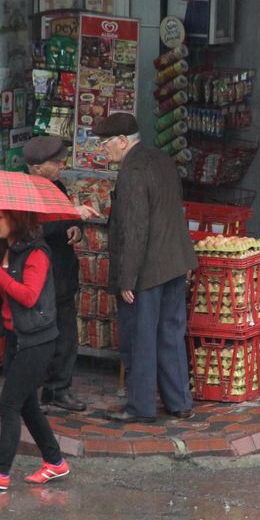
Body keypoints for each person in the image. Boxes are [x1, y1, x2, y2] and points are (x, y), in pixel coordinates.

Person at [96, 112, 198, 423]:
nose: (103, 149)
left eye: (105, 143)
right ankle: (179, 402)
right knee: (170, 333)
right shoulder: (161, 158)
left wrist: (128, 278)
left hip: (148, 269)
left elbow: (135, 229)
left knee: (139, 338)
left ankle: (140, 407)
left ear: (123, 141)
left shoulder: (131, 172)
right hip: (175, 260)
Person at [0, 209, 69, 489]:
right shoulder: (5, 250)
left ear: (17, 219)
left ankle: (0, 471)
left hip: (38, 340)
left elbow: (28, 296)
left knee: (9, 402)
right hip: (15, 338)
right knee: (26, 404)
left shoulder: (37, 253)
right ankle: (55, 462)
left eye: (0, 216)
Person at [23, 136, 101, 412]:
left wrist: (75, 226)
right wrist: (68, 212)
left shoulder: (57, 186)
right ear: (36, 167)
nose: (60, 166)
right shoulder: (24, 192)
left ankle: (58, 388)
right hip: (37, 277)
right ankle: (29, 392)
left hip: (62, 273)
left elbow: (67, 221)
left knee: (65, 335)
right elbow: (33, 230)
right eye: (54, 163)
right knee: (37, 337)